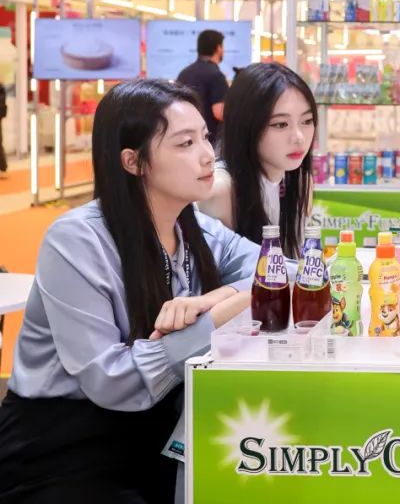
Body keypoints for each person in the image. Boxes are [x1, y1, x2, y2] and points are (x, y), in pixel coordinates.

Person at [0, 79, 257, 502]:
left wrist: (214, 298)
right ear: (133, 161)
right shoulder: (77, 240)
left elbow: (285, 272)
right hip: (61, 447)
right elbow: (111, 380)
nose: (207, 154)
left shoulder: (194, 227)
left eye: (205, 137)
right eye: (185, 143)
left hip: (156, 430)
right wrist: (212, 321)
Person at [199, 62, 317, 259]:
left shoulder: (299, 182)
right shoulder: (221, 190)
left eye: (307, 121)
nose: (299, 137)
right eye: (280, 124)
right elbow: (216, 273)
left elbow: (296, 260)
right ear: (246, 126)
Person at [177, 29, 228, 146]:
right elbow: (219, 112)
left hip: (185, 138)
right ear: (218, 48)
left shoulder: (184, 73)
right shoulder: (216, 75)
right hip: (209, 140)